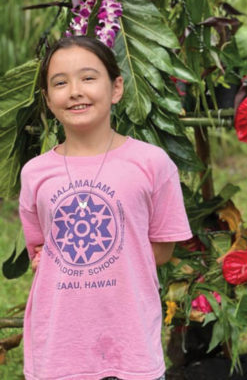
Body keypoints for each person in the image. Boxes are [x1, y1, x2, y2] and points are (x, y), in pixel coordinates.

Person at [19, 36, 192, 380]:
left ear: (116, 88)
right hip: (58, 351)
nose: (75, 91)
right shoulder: (35, 173)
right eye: (60, 83)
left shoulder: (152, 163)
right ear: (48, 100)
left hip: (131, 346)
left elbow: (161, 249)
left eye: (88, 77)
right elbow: (41, 250)